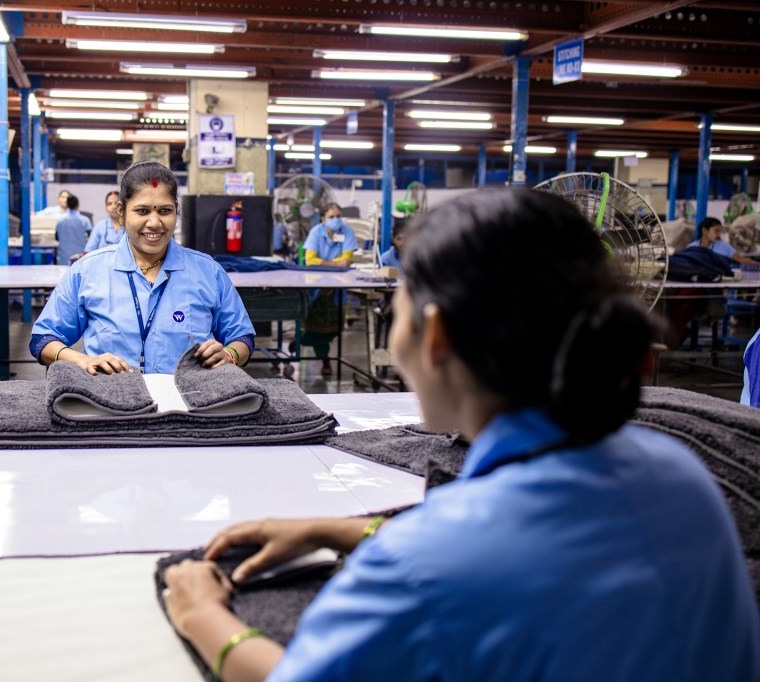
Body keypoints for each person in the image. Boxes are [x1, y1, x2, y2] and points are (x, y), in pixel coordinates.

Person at [162, 189, 760, 682]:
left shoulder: (419, 565)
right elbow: (538, 555)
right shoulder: (679, 473)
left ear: (436, 335)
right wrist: (343, 531)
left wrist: (203, 614)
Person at [29, 161, 255, 375]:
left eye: (165, 211)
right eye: (143, 211)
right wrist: (83, 360)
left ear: (176, 211)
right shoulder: (87, 271)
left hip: (191, 401)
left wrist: (229, 354)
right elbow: (43, 339)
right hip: (112, 401)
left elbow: (242, 337)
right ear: (121, 211)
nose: (155, 223)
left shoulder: (208, 272)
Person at [300, 203, 358, 376]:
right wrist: (335, 264)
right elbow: (310, 259)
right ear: (323, 219)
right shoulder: (316, 232)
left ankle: (301, 342)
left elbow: (347, 260)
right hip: (316, 286)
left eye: (338, 216)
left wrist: (325, 263)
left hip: (337, 287)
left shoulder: (347, 232)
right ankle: (324, 359)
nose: (336, 219)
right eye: (331, 217)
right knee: (314, 325)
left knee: (335, 327)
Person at [689, 217, 759, 265]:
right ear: (704, 231)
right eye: (716, 231)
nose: (719, 234)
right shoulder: (692, 247)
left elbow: (741, 259)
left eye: (720, 231)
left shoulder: (723, 246)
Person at [55, 194, 92, 264]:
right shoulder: (85, 221)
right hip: (80, 259)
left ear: (67, 205)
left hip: (63, 259)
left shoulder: (59, 221)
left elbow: (56, 238)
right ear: (78, 205)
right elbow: (91, 239)